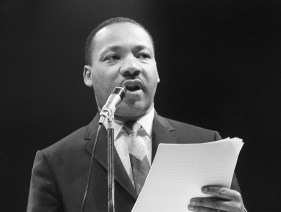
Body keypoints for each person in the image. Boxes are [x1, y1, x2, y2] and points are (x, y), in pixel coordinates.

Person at [27, 17, 246, 212]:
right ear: (88, 75)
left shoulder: (206, 144)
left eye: (143, 55)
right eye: (113, 57)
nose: (132, 67)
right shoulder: (55, 161)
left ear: (157, 71)